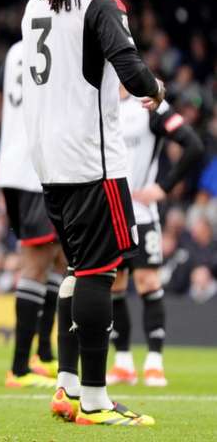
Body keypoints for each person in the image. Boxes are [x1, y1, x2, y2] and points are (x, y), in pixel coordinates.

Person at [20, 0, 164, 426]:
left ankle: (66, 386)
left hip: (48, 162)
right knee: (102, 273)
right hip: (92, 160)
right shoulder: (101, 3)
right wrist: (156, 89)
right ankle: (97, 401)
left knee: (78, 270)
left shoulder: (35, 5)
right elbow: (131, 70)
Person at [0, 39, 64, 389]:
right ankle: (19, 367)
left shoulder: (14, 51)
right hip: (35, 170)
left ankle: (43, 354)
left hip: (17, 169)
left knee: (59, 257)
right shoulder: (60, 43)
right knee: (37, 260)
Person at [106, 86, 203, 387]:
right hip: (109, 212)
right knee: (115, 285)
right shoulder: (101, 102)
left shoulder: (147, 104)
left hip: (142, 212)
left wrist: (164, 187)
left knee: (147, 281)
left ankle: (154, 362)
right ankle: (122, 363)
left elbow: (193, 146)